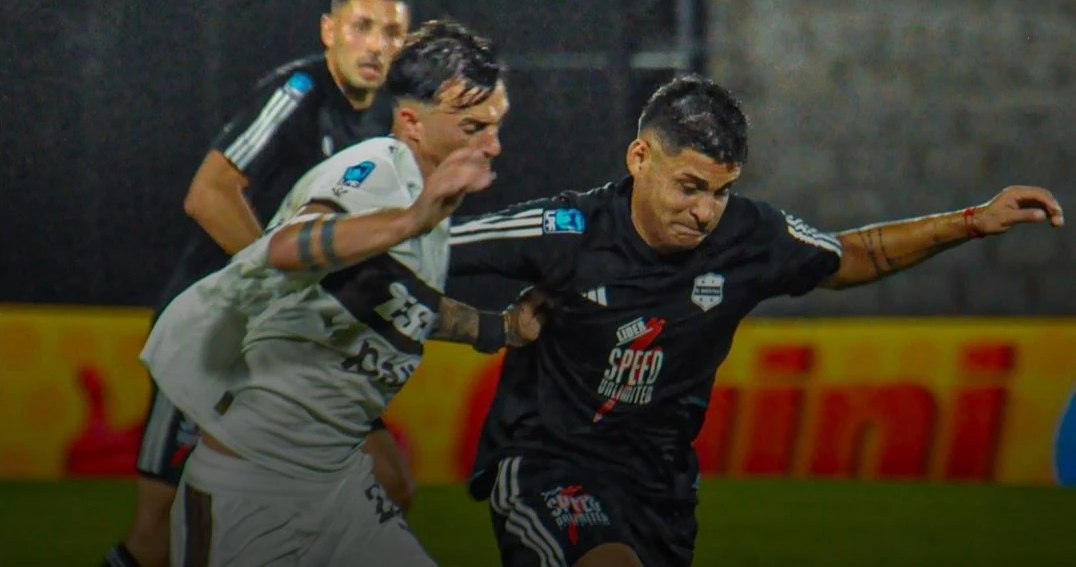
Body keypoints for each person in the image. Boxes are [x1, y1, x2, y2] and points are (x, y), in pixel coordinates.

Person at [446, 74, 1065, 567]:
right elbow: (421, 256)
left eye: (720, 191)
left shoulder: (748, 235)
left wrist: (970, 221)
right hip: (550, 465)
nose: (705, 211)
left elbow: (849, 255)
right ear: (640, 157)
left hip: (659, 488)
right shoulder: (566, 231)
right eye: (690, 186)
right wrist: (486, 326)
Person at [141, 18, 531, 567]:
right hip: (251, 492)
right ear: (413, 123)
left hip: (338, 486)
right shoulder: (374, 169)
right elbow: (287, 247)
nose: (493, 144)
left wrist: (499, 328)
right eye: (473, 127)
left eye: (496, 124)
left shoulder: (427, 207)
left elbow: (401, 302)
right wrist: (410, 219)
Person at [107, 0, 417, 567]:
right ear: (330, 30)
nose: (377, 44)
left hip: (292, 340)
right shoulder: (299, 92)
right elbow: (208, 194)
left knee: (389, 482)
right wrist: (288, 284)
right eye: (362, 26)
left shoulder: (383, 127)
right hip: (215, 332)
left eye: (392, 33)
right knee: (158, 536)